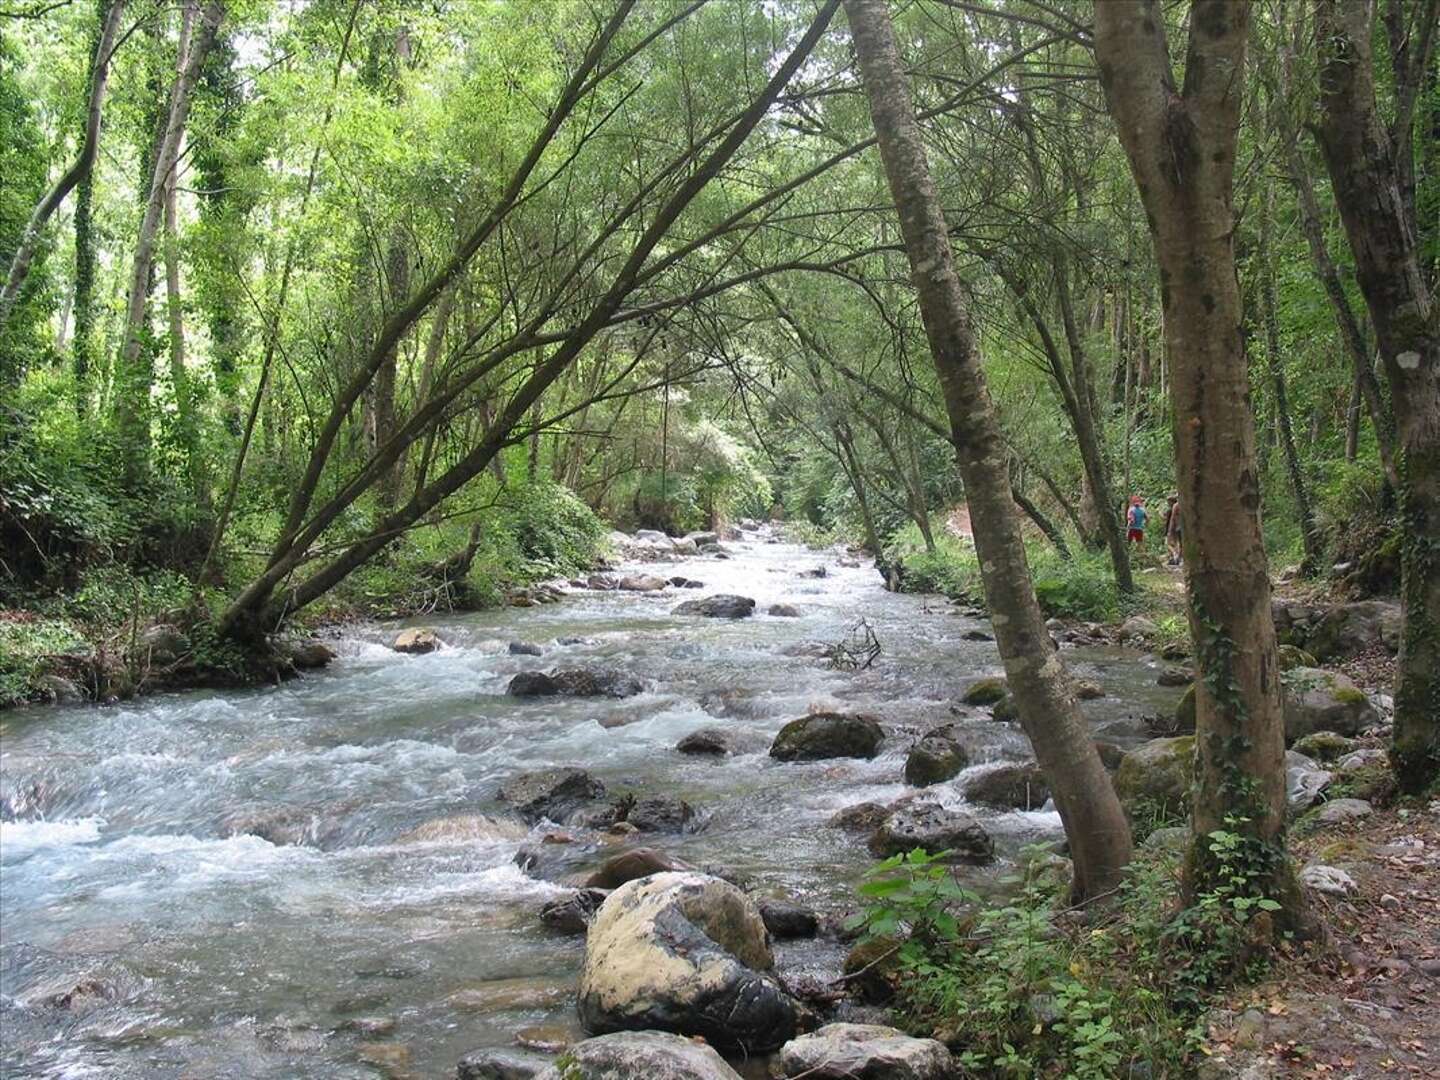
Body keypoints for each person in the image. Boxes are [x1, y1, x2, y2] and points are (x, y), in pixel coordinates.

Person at [1164, 494, 1182, 566]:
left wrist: (1170, 530)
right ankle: (1178, 558)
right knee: (1180, 544)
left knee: (1170, 543)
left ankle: (1176, 556)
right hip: (1181, 527)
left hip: (1177, 527)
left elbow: (1172, 519)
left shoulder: (1175, 506)